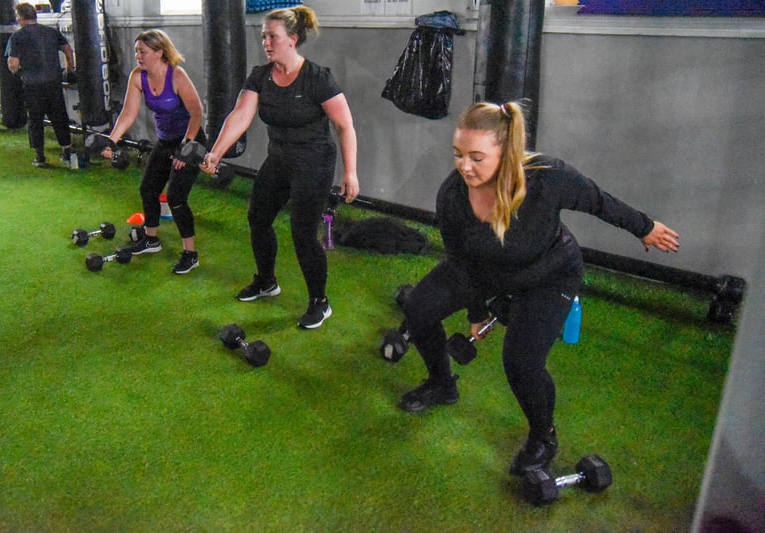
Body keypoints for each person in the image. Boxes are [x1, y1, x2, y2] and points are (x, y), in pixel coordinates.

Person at [398, 101, 680, 477]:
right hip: (487, 271)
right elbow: (461, 262)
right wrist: (477, 313)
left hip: (549, 275)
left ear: (506, 154)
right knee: (419, 309)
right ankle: (441, 383)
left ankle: (543, 435)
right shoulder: (452, 196)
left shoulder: (548, 178)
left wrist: (644, 227)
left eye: (477, 157)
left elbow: (598, 201)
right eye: (458, 155)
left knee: (521, 362)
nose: (465, 166)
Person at [200, 6, 359, 329]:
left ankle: (320, 301)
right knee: (258, 218)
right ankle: (267, 281)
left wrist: (350, 172)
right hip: (280, 158)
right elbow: (240, 115)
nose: (266, 43)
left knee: (303, 232)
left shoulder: (317, 77)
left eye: (272, 37)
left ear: (293, 40)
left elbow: (345, 125)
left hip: (314, 160)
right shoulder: (261, 75)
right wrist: (216, 151)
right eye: (263, 37)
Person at [102, 29, 205, 274]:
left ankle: (190, 254)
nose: (138, 55)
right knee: (148, 188)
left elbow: (197, 112)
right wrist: (111, 141)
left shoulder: (176, 75)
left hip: (190, 141)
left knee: (177, 198)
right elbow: (128, 113)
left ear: (159, 52)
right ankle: (151, 239)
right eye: (137, 51)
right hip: (166, 141)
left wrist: (186, 147)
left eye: (143, 52)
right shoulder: (138, 76)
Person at [6, 2, 75, 168]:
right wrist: (69, 69)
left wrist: (17, 72)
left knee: (35, 120)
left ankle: (40, 157)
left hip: (32, 84)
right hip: (53, 82)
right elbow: (68, 50)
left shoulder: (17, 36)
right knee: (59, 116)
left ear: (20, 17)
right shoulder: (51, 32)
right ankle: (67, 151)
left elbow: (13, 63)